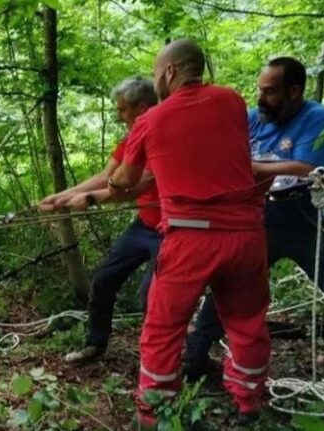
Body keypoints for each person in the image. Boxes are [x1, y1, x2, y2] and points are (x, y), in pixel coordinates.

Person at [110, 40, 271, 427]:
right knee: (247, 321)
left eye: (155, 73)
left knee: (163, 327)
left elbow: (125, 180)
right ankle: (249, 402)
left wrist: (115, 185)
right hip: (246, 235)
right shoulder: (233, 101)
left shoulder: (150, 120)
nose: (156, 82)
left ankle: (156, 411)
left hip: (191, 238)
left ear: (169, 72)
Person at [184, 57, 324, 379]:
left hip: (307, 216)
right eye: (260, 90)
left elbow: (306, 167)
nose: (261, 98)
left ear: (294, 91)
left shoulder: (318, 117)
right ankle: (195, 360)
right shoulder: (253, 118)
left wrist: (253, 167)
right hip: (260, 215)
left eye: (270, 92)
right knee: (227, 284)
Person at [39, 77, 161, 363]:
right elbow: (109, 177)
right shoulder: (132, 136)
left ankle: (157, 360)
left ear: (142, 107)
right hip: (144, 223)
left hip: (170, 229)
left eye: (122, 109)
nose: (118, 116)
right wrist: (62, 196)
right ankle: (96, 343)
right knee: (104, 278)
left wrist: (92, 199)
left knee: (152, 296)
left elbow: (139, 183)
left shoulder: (161, 132)